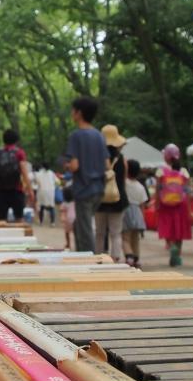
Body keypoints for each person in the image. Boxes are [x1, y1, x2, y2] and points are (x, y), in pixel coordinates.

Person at [63, 97, 108, 253]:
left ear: (79, 113)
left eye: (73, 110)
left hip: (84, 189)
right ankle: (81, 255)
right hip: (99, 189)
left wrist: (67, 165)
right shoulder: (99, 135)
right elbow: (107, 164)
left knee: (85, 230)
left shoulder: (76, 136)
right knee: (80, 225)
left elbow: (75, 166)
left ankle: (89, 260)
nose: (71, 113)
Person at [156, 143, 192, 267]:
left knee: (167, 228)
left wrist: (157, 204)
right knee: (179, 230)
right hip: (181, 205)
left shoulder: (161, 171)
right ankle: (178, 256)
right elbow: (187, 191)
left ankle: (171, 246)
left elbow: (158, 189)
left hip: (165, 205)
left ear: (165, 156)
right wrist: (190, 209)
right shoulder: (183, 171)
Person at [95, 125, 127, 261]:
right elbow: (123, 180)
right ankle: (115, 259)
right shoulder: (122, 158)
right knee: (116, 233)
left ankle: (98, 258)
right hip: (118, 199)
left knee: (99, 233)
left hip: (99, 199)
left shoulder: (96, 158)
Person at [0, 129, 34, 221]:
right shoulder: (19, 153)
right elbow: (24, 173)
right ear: (16, 140)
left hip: (1, 191)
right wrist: (30, 190)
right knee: (19, 219)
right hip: (17, 190)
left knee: (0, 220)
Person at [123, 159, 148, 268]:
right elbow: (143, 205)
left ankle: (129, 257)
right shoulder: (141, 187)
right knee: (135, 239)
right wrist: (143, 219)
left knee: (125, 238)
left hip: (126, 211)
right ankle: (136, 258)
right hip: (138, 212)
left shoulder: (124, 183)